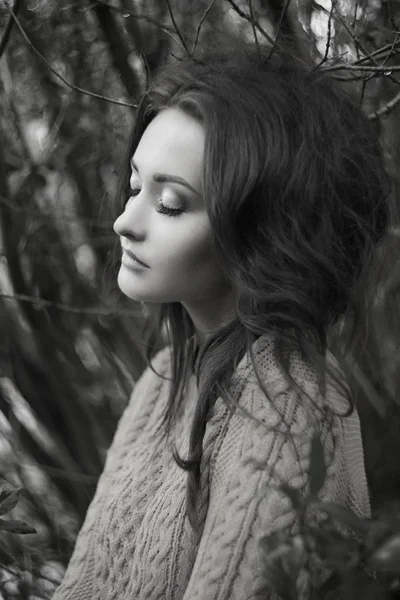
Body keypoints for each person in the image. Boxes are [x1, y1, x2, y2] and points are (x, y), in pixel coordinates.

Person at [53, 40, 390, 600]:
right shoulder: (164, 378)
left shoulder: (286, 401)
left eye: (170, 205)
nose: (123, 221)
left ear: (263, 234)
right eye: (137, 185)